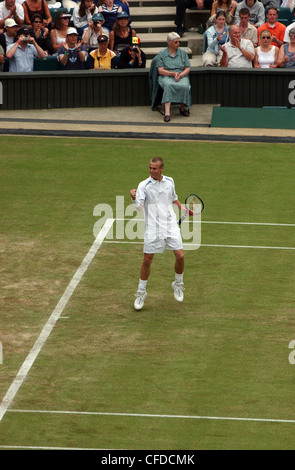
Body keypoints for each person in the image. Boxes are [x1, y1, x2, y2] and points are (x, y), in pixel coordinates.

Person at [130, 157, 186, 311]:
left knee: (180, 256)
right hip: (153, 227)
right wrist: (134, 198)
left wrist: (183, 209)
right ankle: (141, 292)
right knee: (147, 260)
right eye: (150, 168)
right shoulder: (144, 185)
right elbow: (140, 208)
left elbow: (174, 198)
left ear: (161, 169)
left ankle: (178, 284)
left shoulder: (170, 181)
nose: (151, 171)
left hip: (170, 225)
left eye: (154, 168)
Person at [157, 32, 192, 122]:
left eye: (178, 42)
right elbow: (160, 70)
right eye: (176, 42)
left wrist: (180, 75)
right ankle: (167, 112)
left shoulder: (183, 53)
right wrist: (172, 74)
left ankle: (182, 108)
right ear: (169, 42)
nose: (178, 44)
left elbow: (187, 68)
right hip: (167, 76)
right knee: (168, 85)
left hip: (181, 75)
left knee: (184, 85)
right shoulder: (162, 53)